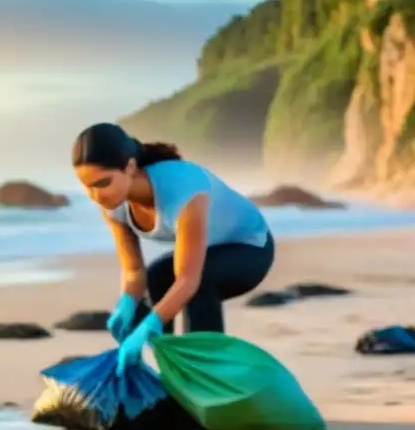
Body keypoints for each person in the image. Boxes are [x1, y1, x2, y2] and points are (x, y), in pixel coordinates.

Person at [72, 122, 274, 376]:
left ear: (130, 167)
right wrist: (126, 304)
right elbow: (135, 272)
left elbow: (188, 279)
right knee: (156, 279)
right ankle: (165, 375)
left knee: (197, 285)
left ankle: (208, 373)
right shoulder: (112, 203)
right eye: (86, 185)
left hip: (251, 248)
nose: (95, 195)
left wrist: (151, 323)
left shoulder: (183, 189)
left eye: (102, 183)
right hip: (208, 251)